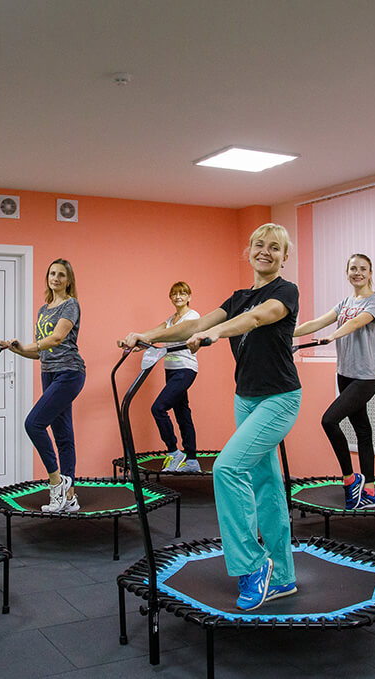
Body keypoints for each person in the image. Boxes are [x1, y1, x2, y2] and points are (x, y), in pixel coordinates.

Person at [121, 223, 300, 611]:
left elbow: (257, 318)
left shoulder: (285, 292)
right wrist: (148, 336)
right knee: (267, 485)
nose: (265, 251)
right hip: (246, 399)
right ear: (249, 251)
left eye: (274, 247)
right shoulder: (238, 297)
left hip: (280, 399)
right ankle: (283, 576)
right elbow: (194, 324)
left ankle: (253, 565)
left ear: (284, 256)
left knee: (227, 469)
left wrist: (217, 334)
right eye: (258, 245)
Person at [0, 258, 85, 513]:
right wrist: (12, 348)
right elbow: (40, 352)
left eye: (61, 275)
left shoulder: (70, 305)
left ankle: (56, 482)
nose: (55, 278)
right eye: (52, 273)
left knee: (33, 424)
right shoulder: (43, 310)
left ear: (69, 280)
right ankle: (70, 496)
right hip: (49, 373)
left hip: (69, 373)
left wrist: (23, 345)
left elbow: (56, 339)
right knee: (63, 434)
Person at [293, 253, 375, 510]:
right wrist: (288, 333)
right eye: (353, 269)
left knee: (329, 420)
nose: (358, 273)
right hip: (345, 374)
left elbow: (357, 322)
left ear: (370, 273)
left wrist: (333, 336)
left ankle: (350, 479)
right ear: (347, 273)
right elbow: (317, 322)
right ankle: (369, 491)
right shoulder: (345, 302)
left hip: (366, 377)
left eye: (363, 269)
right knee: (363, 431)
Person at [141, 281, 201, 472]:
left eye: (182, 293)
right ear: (170, 298)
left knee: (158, 408)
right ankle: (192, 461)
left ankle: (174, 452)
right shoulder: (170, 320)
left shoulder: (193, 317)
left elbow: (173, 334)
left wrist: (148, 337)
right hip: (171, 369)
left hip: (185, 369)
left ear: (189, 297)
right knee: (182, 413)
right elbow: (155, 332)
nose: (178, 297)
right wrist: (135, 338)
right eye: (174, 294)